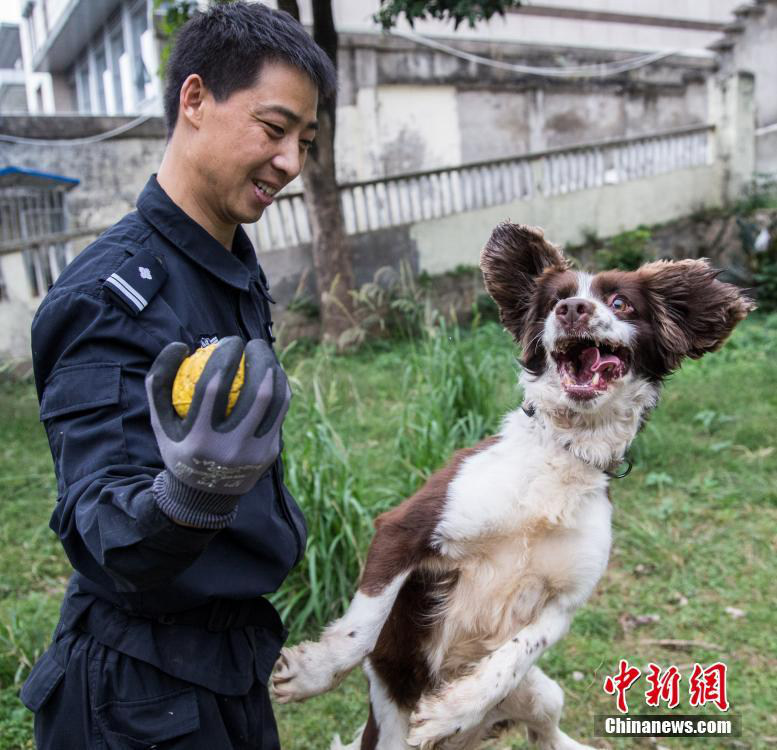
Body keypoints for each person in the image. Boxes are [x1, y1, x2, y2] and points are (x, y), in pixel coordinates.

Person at [21, 3, 336, 748]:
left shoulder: (224, 265)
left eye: (305, 140)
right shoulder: (109, 295)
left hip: (222, 666)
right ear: (194, 100)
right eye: (273, 128)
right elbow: (99, 528)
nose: (291, 161)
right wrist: (189, 496)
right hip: (135, 698)